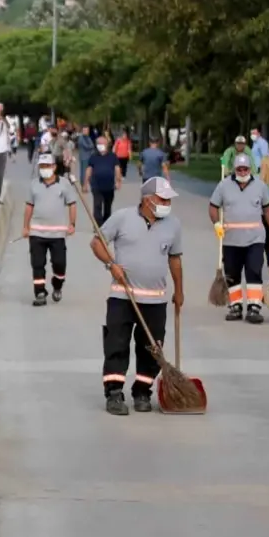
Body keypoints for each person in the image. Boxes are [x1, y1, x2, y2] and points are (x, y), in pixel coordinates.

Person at [91, 177, 184, 416]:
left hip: (156, 299)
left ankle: (143, 392)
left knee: (152, 348)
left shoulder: (173, 225)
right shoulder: (122, 218)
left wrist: (179, 291)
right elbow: (96, 243)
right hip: (123, 296)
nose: (166, 203)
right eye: (162, 198)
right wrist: (111, 264)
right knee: (116, 344)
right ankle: (114, 393)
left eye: (168, 199)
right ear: (147, 199)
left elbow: (175, 260)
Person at [209, 154, 269, 324]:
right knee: (232, 273)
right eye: (239, 169)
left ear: (250, 169)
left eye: (245, 169)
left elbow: (268, 211)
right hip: (231, 239)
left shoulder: (260, 186)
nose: (242, 172)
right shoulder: (224, 185)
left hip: (255, 238)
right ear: (234, 169)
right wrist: (217, 223)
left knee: (254, 271)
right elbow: (213, 206)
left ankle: (254, 307)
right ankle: (236, 305)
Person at [24, 153, 77, 306]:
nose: (44, 169)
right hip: (37, 232)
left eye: (47, 166)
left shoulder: (64, 184)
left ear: (54, 167)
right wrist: (25, 226)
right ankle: (40, 292)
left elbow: (72, 204)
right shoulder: (34, 184)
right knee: (37, 264)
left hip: (58, 234)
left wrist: (72, 224)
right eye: (42, 166)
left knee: (59, 264)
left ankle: (57, 285)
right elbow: (29, 206)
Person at [83, 135, 123, 227]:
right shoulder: (93, 156)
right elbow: (89, 170)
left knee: (107, 207)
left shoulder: (112, 157)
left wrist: (118, 181)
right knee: (97, 206)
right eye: (98, 143)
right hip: (96, 186)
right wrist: (85, 184)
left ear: (106, 144)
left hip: (109, 186)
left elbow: (117, 169)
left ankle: (106, 224)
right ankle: (98, 226)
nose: (99, 145)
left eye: (101, 143)